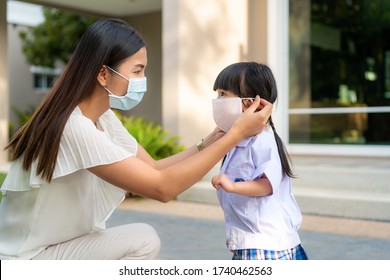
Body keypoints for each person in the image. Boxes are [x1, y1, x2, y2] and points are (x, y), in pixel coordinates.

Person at [0, 19, 272, 260]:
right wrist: (237, 135)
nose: (143, 80)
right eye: (137, 71)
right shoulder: (73, 126)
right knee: (142, 240)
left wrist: (212, 140)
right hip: (29, 258)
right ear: (103, 73)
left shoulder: (102, 118)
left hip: (57, 247)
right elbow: (162, 189)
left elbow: (153, 168)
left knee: (141, 238)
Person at [211, 62, 308, 260]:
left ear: (250, 103)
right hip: (253, 242)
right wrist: (236, 236)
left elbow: (266, 184)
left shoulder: (263, 141)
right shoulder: (236, 141)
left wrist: (233, 186)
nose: (217, 101)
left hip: (268, 247)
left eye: (223, 95)